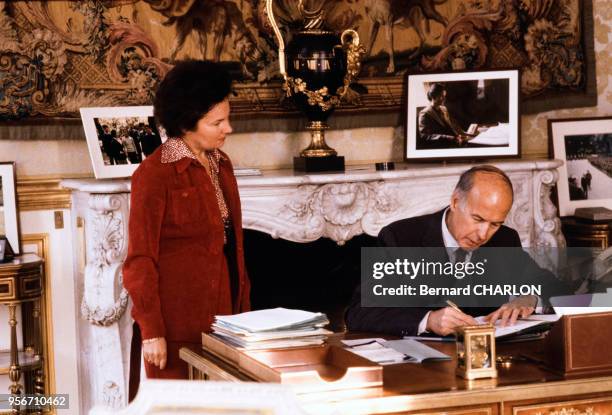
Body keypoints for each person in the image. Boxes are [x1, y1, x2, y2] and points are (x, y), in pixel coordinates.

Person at [123, 60, 251, 382]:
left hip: (226, 321)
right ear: (186, 123)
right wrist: (152, 331)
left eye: (228, 119)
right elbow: (140, 260)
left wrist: (244, 317)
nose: (228, 129)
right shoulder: (154, 176)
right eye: (217, 123)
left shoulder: (222, 164)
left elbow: (233, 245)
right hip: (174, 330)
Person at [346, 165, 563, 337]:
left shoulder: (505, 240)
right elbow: (359, 313)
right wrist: (428, 320)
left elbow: (555, 287)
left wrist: (530, 299)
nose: (483, 234)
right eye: (477, 219)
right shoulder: (400, 238)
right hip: (421, 365)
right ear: (455, 202)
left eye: (495, 224)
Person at [418, 83, 470, 148]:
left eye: (444, 96)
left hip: (454, 141)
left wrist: (460, 134)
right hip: (440, 145)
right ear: (433, 96)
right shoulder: (424, 113)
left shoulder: (444, 109)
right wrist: (449, 138)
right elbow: (425, 136)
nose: (444, 98)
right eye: (441, 96)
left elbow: (451, 125)